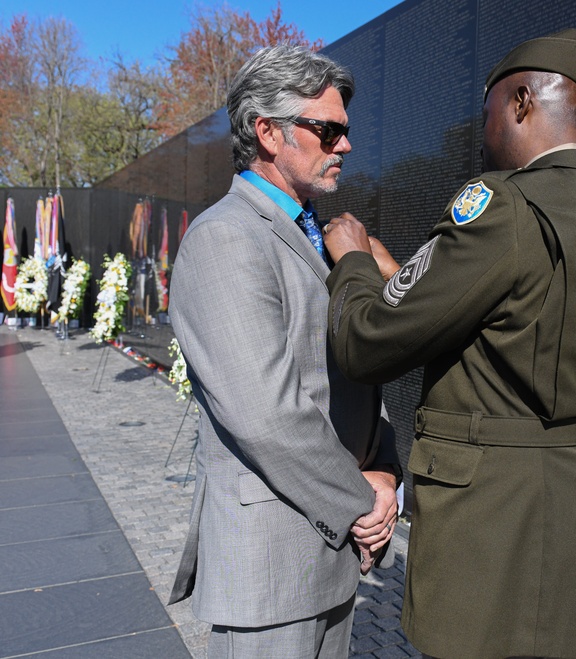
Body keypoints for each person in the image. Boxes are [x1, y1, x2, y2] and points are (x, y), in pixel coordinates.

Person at [322, 28, 576, 659]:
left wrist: (354, 264)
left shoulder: (501, 206)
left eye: (489, 112)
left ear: (523, 102)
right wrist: (404, 283)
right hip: (575, 508)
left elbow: (367, 343)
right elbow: (521, 333)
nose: (482, 133)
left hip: (494, 526)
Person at [167, 45, 400, 658]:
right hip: (271, 565)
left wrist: (385, 471)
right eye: (327, 130)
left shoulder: (316, 236)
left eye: (345, 130)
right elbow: (263, 411)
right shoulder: (224, 239)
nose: (344, 146)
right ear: (267, 133)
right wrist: (361, 503)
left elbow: (353, 372)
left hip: (332, 550)